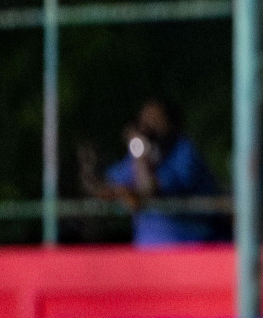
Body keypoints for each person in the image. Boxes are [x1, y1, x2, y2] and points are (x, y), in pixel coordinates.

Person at [86, 98, 219, 247]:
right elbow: (107, 186)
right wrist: (119, 191)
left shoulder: (184, 152)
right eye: (144, 120)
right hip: (148, 253)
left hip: (189, 250)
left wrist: (139, 151)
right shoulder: (141, 156)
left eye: (155, 119)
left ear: (171, 123)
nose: (147, 126)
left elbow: (149, 190)